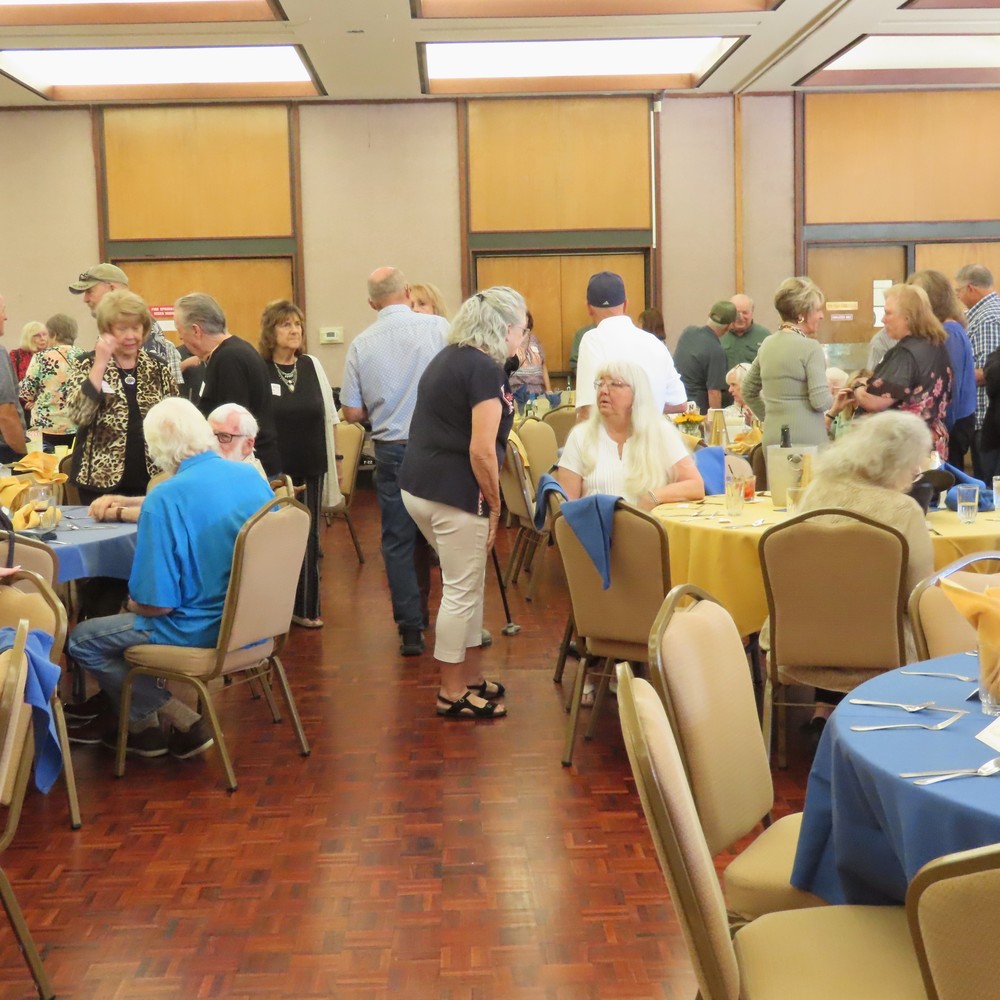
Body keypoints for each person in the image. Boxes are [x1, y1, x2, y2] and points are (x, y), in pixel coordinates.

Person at [65, 398, 274, 758]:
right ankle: (142, 728)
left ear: (155, 448)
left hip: (198, 629)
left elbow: (155, 605)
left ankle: (180, 718)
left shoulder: (165, 497)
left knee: (83, 638)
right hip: (255, 621)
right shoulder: (250, 478)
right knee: (123, 622)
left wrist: (128, 604)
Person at [399, 286, 523, 720]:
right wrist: (496, 503)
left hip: (420, 487)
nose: (521, 338)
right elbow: (482, 451)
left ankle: (469, 677)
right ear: (504, 329)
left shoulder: (450, 356)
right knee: (461, 590)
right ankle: (451, 692)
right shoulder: (484, 370)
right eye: (521, 330)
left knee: (467, 583)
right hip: (453, 492)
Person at [795, 411, 935, 726]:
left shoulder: (817, 489)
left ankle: (824, 708)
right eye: (915, 464)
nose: (916, 471)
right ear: (901, 463)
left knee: (833, 596)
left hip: (802, 640)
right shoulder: (904, 509)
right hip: (881, 648)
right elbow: (918, 596)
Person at [341, 267, 447, 656]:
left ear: (371, 303)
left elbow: (351, 412)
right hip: (439, 448)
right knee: (448, 537)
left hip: (392, 450)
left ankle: (411, 629)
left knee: (399, 540)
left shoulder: (361, 344)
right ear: (405, 292)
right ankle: (460, 623)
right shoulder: (440, 328)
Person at [258, 299, 342, 630]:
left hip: (310, 465)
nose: (294, 330)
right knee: (273, 540)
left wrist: (335, 462)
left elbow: (329, 417)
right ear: (271, 331)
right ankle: (270, 610)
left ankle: (306, 608)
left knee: (308, 538)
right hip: (273, 472)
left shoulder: (310, 365)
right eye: (286, 324)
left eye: (297, 324)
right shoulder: (260, 369)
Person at [66, 289, 177, 504]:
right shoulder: (86, 364)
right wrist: (100, 364)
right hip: (99, 480)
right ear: (107, 330)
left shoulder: (158, 367)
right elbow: (78, 416)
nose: (130, 336)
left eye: (136, 328)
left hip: (153, 478)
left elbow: (173, 419)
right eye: (122, 328)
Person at [87, 402, 270, 525]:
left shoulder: (247, 476)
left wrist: (119, 512)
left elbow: (175, 513)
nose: (213, 443)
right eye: (209, 433)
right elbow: (180, 503)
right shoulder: (245, 476)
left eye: (224, 437)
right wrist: (126, 501)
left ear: (248, 445)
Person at [556, 359, 704, 508]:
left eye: (615, 384)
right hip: (596, 522)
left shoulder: (660, 432)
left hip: (647, 521)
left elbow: (695, 486)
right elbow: (566, 508)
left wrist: (654, 497)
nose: (604, 391)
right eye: (600, 383)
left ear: (636, 394)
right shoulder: (580, 436)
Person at [174, 292, 282, 478]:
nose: (180, 339)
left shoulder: (229, 359)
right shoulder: (233, 351)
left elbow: (231, 429)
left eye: (180, 332)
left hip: (246, 471)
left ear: (196, 330)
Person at [840, 284, 952, 459]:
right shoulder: (936, 345)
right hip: (930, 440)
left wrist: (857, 386)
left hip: (904, 446)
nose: (883, 319)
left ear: (908, 317)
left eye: (888, 313)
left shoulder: (904, 354)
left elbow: (873, 401)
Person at [575, 271, 687, 421]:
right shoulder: (655, 342)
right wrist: (647, 409)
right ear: (626, 304)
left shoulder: (592, 340)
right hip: (651, 434)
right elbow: (680, 404)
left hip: (612, 435)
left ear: (588, 308)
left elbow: (587, 410)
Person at [742, 276, 832, 447]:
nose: (821, 316)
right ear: (801, 315)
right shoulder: (811, 348)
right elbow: (820, 402)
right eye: (817, 310)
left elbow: (747, 390)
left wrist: (770, 418)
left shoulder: (767, 344)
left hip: (773, 437)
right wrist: (835, 396)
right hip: (807, 439)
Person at [68, 263, 183, 388]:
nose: (85, 299)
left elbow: (146, 388)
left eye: (90, 291)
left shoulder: (143, 334)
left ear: (112, 289)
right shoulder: (88, 359)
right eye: (122, 329)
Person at [908, 269, 977, 470]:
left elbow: (949, 387)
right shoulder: (943, 330)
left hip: (951, 425)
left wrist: (941, 430)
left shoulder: (949, 333)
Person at [954, 264, 1000, 479]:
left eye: (959, 291)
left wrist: (949, 374)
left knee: (988, 485)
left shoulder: (987, 318)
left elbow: (987, 373)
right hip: (983, 417)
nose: (957, 296)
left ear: (970, 288)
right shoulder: (978, 314)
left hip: (985, 417)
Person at [19, 312, 81, 452]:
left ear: (54, 334)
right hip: (77, 425)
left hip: (46, 426)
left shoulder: (41, 358)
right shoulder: (85, 357)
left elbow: (26, 393)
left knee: (47, 463)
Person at [673, 300, 734, 413]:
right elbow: (714, 393)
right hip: (698, 413)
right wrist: (716, 420)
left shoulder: (687, 332)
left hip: (676, 405)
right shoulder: (716, 351)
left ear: (709, 314)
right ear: (730, 326)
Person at [0, 293, 28, 464]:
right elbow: (6, 414)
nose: (6, 317)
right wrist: (25, 456)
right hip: (5, 454)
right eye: (3, 311)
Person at [508, 310, 551, 404]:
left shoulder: (534, 339)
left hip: (537, 391)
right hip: (516, 391)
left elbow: (543, 365)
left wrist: (549, 390)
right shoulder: (509, 339)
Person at [721, 293, 770, 368]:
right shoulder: (719, 335)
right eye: (736, 313)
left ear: (752, 313)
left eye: (745, 313)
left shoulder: (764, 337)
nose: (740, 317)